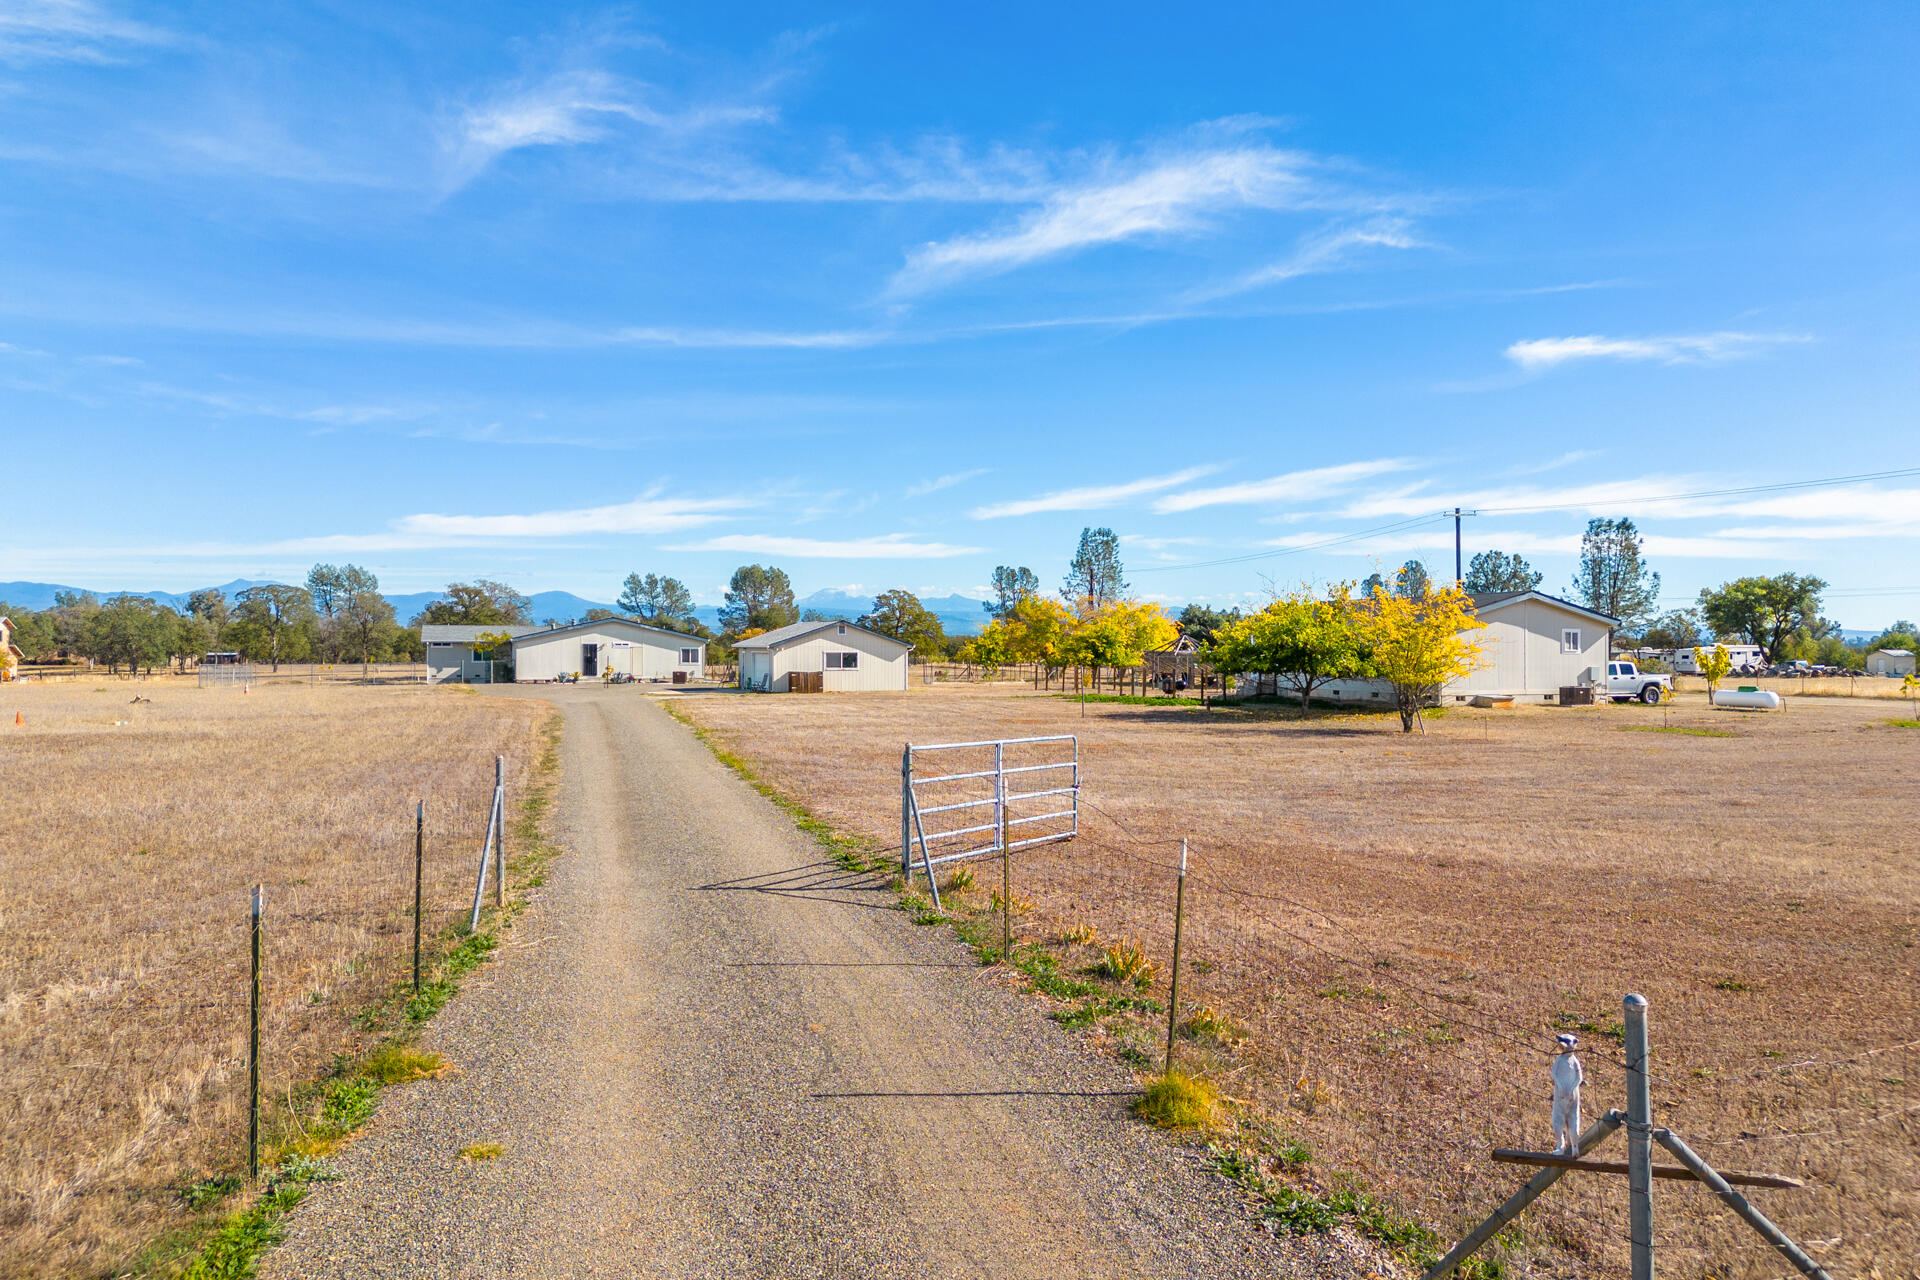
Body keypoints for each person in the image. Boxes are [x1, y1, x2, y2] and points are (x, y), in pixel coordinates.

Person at [1551, 1033, 1584, 1154]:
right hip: (1560, 1095)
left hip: (1572, 1095)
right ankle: (1561, 1143)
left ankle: (1575, 1147)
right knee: (1557, 1121)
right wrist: (1559, 1085)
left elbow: (1579, 1077)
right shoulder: (1560, 1060)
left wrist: (1572, 1088)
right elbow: (1554, 1074)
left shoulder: (1574, 1061)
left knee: (1574, 1121)